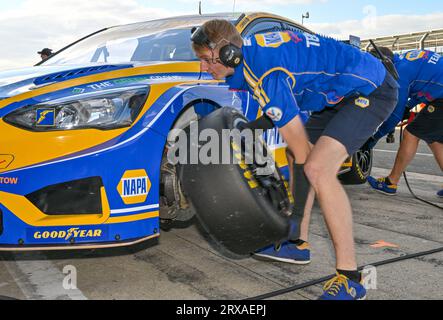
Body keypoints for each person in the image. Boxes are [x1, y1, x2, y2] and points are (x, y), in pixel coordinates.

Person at [191, 20, 399, 300]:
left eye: (206, 60)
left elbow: (302, 152)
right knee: (295, 155)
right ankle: (297, 243)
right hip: (336, 95)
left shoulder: (265, 73)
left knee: (317, 168)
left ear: (229, 54)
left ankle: (350, 278)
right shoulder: (254, 59)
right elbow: (279, 111)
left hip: (371, 91)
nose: (204, 67)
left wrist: (279, 214)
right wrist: (248, 130)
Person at [364, 48, 443, 197]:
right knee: (436, 141)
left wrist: (374, 138)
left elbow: (394, 116)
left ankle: (390, 183)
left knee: (410, 133)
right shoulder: (404, 60)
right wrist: (409, 105)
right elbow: (423, 85)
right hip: (439, 94)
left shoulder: (400, 75)